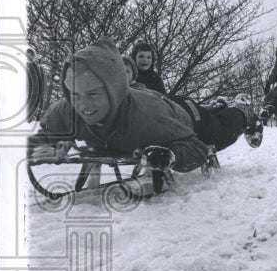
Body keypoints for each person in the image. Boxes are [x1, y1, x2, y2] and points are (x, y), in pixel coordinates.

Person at [29, 38, 262, 173]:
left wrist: (170, 156)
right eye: (76, 94)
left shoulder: (147, 120)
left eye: (93, 94)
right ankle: (220, 107)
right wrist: (45, 144)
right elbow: (42, 135)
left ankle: (242, 111)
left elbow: (197, 148)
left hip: (189, 118)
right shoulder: (68, 108)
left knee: (223, 131)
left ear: (112, 91)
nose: (83, 104)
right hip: (161, 103)